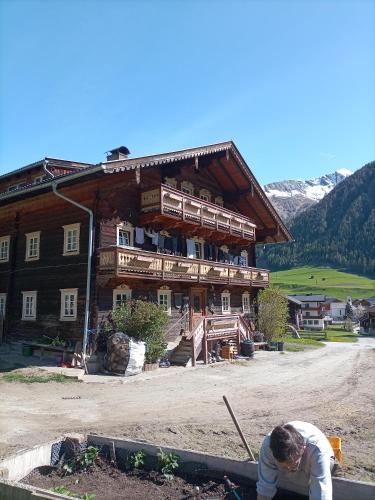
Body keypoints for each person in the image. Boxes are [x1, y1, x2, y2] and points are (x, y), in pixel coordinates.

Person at [257, 421, 334, 500]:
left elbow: (321, 496)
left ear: (302, 449)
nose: (288, 468)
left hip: (318, 457)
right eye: (284, 466)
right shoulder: (268, 447)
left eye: (291, 463)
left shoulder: (318, 451)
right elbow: (264, 487)